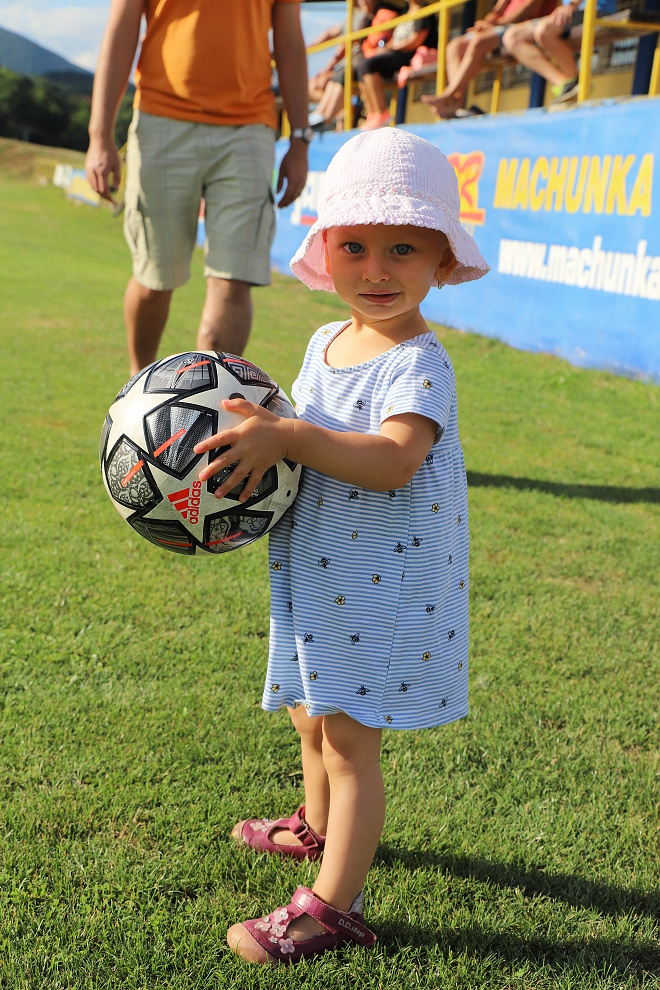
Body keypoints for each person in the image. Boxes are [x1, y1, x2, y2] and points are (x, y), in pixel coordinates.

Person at [192, 128, 490, 965]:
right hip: (320, 564)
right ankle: (317, 828)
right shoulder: (325, 340)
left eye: (403, 248)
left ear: (442, 258)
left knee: (352, 741)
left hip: (386, 579)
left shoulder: (419, 364)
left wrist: (289, 436)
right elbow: (297, 439)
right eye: (354, 246)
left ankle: (333, 907)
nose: (376, 269)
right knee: (310, 713)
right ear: (326, 250)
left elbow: (393, 461)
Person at [85, 0, 310, 376]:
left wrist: (300, 138)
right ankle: (139, 388)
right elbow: (121, 31)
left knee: (233, 281)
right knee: (155, 278)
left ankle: (214, 402)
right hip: (161, 117)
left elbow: (289, 41)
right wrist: (99, 134)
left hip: (249, 126)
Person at [421, 0, 558, 119]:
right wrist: (485, 23)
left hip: (521, 27)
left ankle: (448, 94)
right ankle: (456, 105)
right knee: (454, 46)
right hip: (501, 27)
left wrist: (497, 24)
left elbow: (530, 8)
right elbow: (498, 10)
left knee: (478, 42)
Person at [308, 0, 402, 132]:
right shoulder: (361, 15)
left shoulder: (373, 15)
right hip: (360, 61)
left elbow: (353, 43)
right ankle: (323, 114)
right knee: (336, 77)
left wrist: (329, 66)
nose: (364, 2)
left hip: (362, 60)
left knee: (351, 71)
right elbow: (334, 34)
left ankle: (330, 116)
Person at [502, 0, 617, 105]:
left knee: (544, 30)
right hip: (569, 13)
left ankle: (577, 83)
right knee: (512, 37)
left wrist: (572, 5)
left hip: (595, 10)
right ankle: (565, 84)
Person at [357, 0, 439, 129]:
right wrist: (384, 48)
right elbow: (395, 39)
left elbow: (416, 40)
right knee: (361, 66)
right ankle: (373, 114)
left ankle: (381, 112)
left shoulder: (424, 10)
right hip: (398, 53)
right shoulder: (405, 12)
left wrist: (391, 47)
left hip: (411, 55)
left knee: (368, 65)